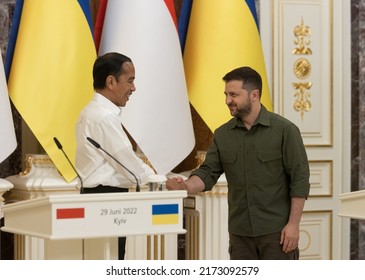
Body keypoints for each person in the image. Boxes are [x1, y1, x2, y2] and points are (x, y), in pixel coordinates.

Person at [167, 66, 310, 260]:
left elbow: (299, 181)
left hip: (277, 234)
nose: (227, 100)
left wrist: (293, 225)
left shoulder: (285, 131)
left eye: (233, 94)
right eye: (226, 94)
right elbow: (208, 173)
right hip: (240, 236)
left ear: (254, 95)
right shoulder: (222, 135)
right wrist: (185, 186)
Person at [75, 52, 155, 260]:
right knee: (111, 262)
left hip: (96, 198)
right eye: (130, 81)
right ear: (111, 81)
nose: (133, 88)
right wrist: (160, 180)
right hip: (107, 200)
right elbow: (129, 166)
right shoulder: (103, 117)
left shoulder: (90, 112)